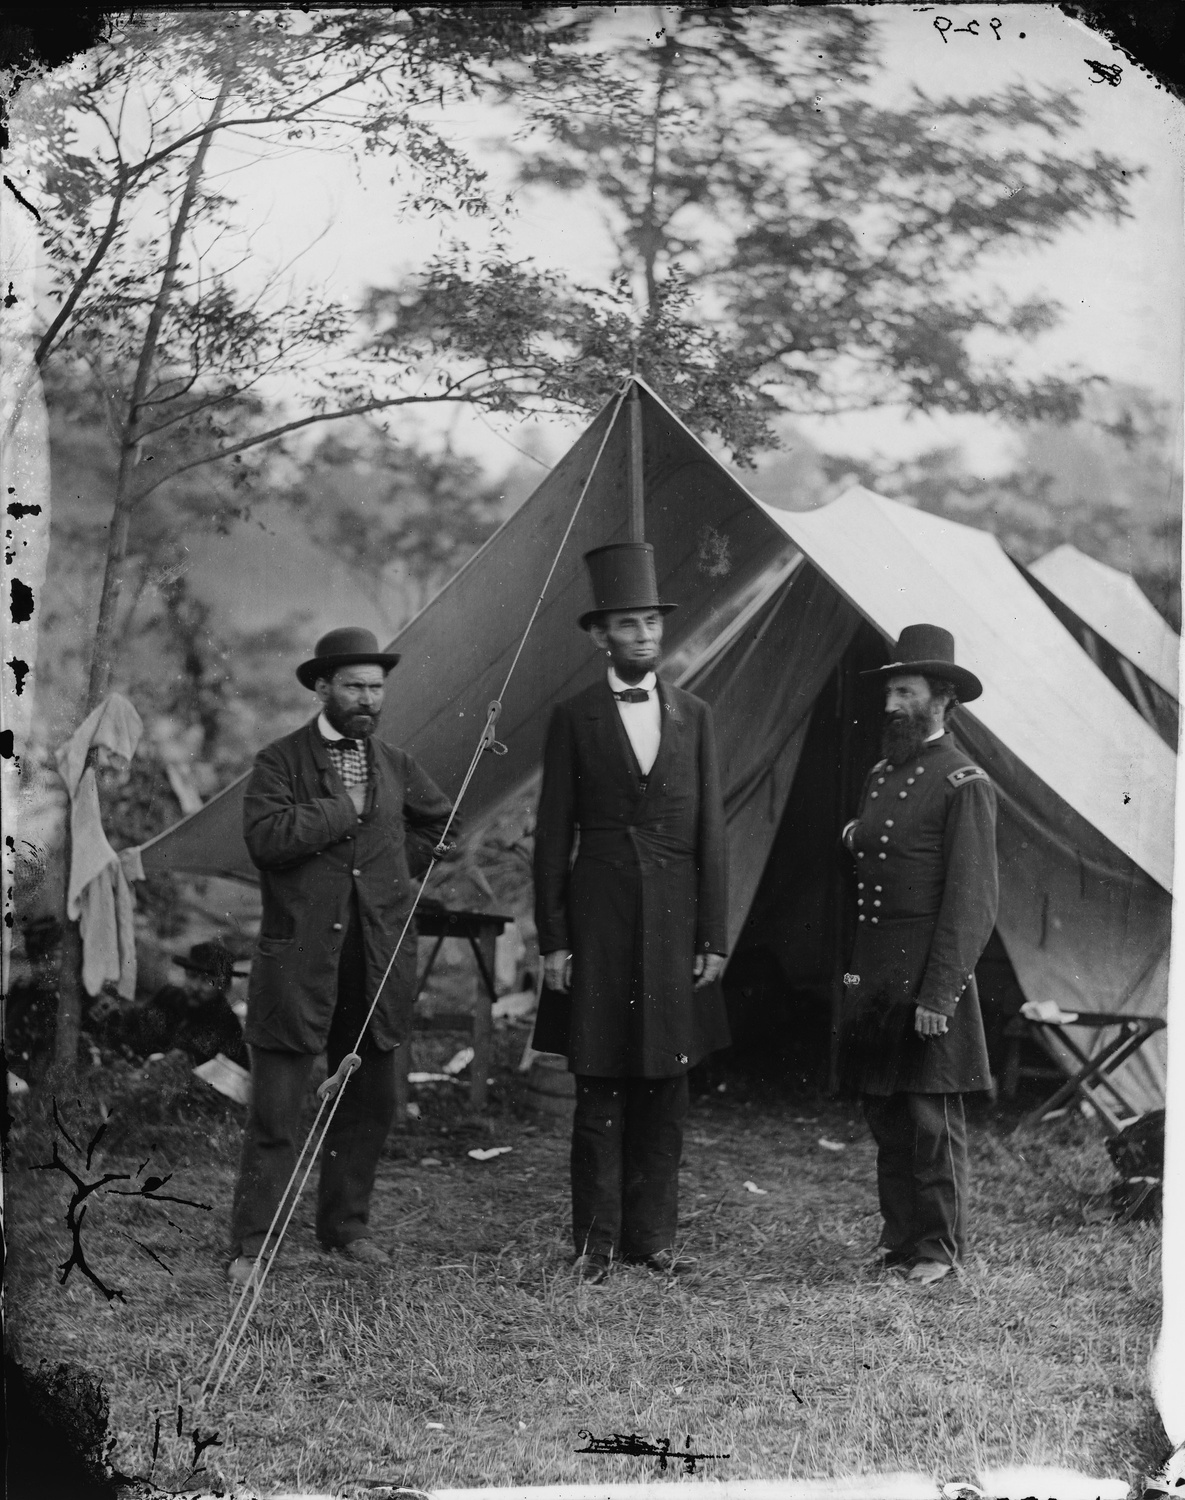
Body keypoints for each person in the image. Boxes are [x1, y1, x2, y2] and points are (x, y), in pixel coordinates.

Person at [228, 627, 453, 1285]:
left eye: (375, 687)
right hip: (299, 960)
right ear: (322, 687)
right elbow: (266, 840)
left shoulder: (396, 762)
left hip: (376, 959)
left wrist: (394, 868)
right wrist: (341, 809)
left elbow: (441, 824)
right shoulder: (279, 762)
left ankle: (345, 1227)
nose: (366, 698)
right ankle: (252, 1244)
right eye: (353, 686)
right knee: (277, 1108)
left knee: (370, 1099)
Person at [533, 543, 730, 1285]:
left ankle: (653, 1238)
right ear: (600, 636)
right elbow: (553, 836)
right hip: (599, 922)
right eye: (628, 624)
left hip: (677, 925)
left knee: (666, 1086)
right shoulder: (574, 718)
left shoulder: (697, 716)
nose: (644, 635)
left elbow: (712, 830)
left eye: (651, 622)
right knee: (599, 1082)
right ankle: (594, 1244)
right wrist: (554, 939)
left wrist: (712, 934)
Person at [840, 623, 998, 1288]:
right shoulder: (881, 774)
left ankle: (938, 1248)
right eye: (888, 692)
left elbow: (971, 901)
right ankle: (899, 1238)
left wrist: (939, 993)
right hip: (877, 973)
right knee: (885, 1113)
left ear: (943, 701)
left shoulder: (965, 783)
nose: (889, 705)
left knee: (929, 1117)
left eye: (904, 692)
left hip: (928, 972)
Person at [131, 941, 249, 1067]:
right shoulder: (168, 996)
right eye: (192, 976)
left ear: (224, 986)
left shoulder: (227, 1024)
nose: (195, 987)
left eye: (207, 981)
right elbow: (137, 1030)